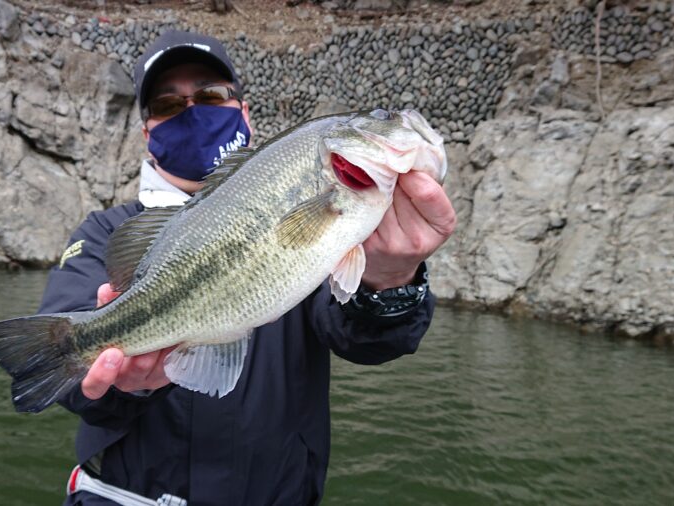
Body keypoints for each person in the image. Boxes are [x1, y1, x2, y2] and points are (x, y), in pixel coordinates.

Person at [38, 30, 457, 506]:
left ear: (244, 112)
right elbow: (69, 388)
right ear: (147, 131)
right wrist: (125, 384)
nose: (192, 110)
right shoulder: (105, 233)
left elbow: (365, 339)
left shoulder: (336, 208)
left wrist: (389, 281)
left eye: (211, 95)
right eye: (169, 104)